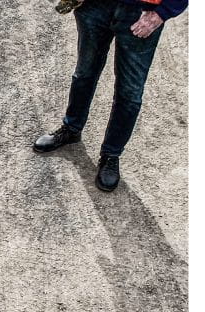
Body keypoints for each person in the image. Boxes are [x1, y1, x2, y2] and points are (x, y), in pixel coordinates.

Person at [33, 0, 188, 191]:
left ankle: (111, 155)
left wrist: (162, 13)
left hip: (140, 11)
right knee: (84, 73)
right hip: (94, 6)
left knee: (129, 92)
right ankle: (71, 128)